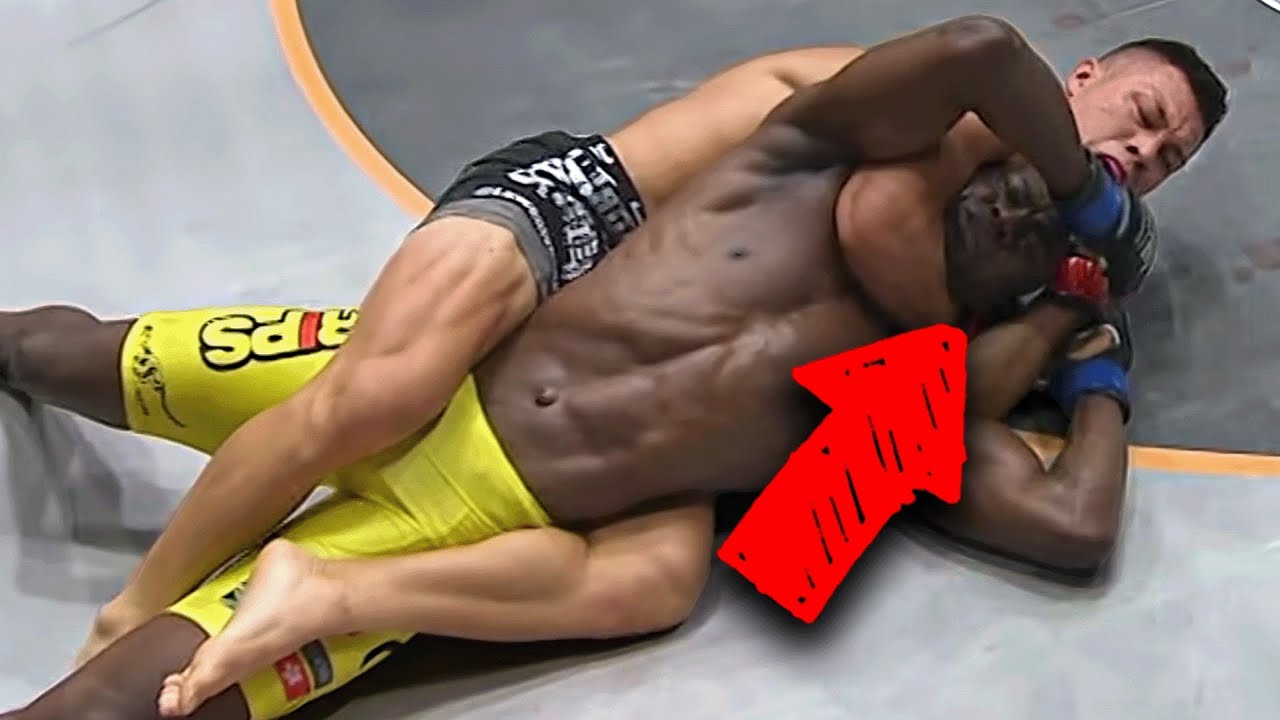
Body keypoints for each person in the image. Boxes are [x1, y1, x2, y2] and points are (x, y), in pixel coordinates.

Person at [0, 16, 1223, 720]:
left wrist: (1083, 353)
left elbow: (1048, 512)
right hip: (540, 252)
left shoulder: (943, 357)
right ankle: (147, 595)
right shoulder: (854, 129)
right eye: (1138, 114)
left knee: (654, 581)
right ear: (1078, 86)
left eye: (1161, 158)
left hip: (507, 515)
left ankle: (329, 592)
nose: (1140, 151)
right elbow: (975, 53)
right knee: (96, 357)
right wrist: (1078, 202)